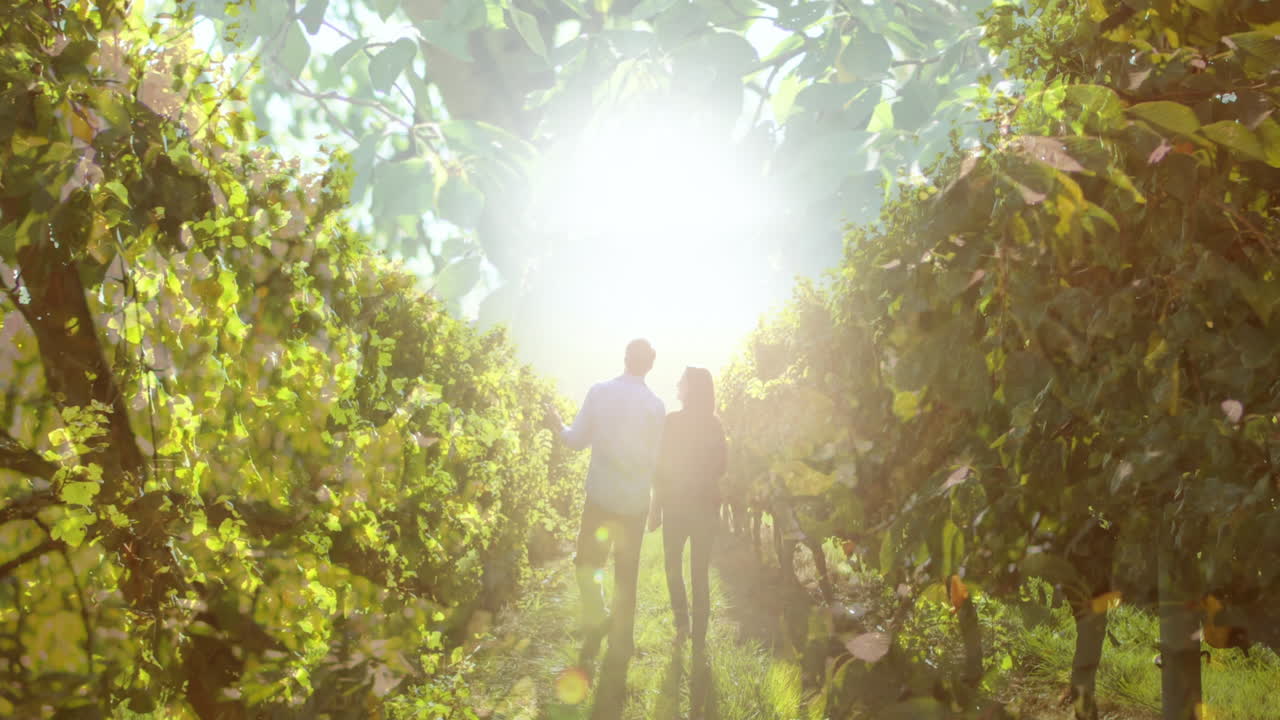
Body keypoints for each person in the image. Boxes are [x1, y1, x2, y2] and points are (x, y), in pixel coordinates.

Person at [548, 339, 666, 671]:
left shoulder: (599, 392)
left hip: (600, 499)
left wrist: (557, 423)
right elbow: (658, 461)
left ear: (625, 357)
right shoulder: (656, 407)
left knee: (587, 564)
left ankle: (597, 618)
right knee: (627, 573)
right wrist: (657, 502)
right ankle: (622, 641)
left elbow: (575, 441)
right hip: (634, 503)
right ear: (650, 366)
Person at [647, 366, 727, 658]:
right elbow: (722, 467)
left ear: (690, 388)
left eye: (681, 381)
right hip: (706, 507)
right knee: (700, 574)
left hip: (677, 507)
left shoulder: (671, 422)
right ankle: (700, 639)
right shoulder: (715, 425)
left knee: (673, 567)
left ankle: (683, 625)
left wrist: (655, 508)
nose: (677, 385)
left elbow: (660, 469)